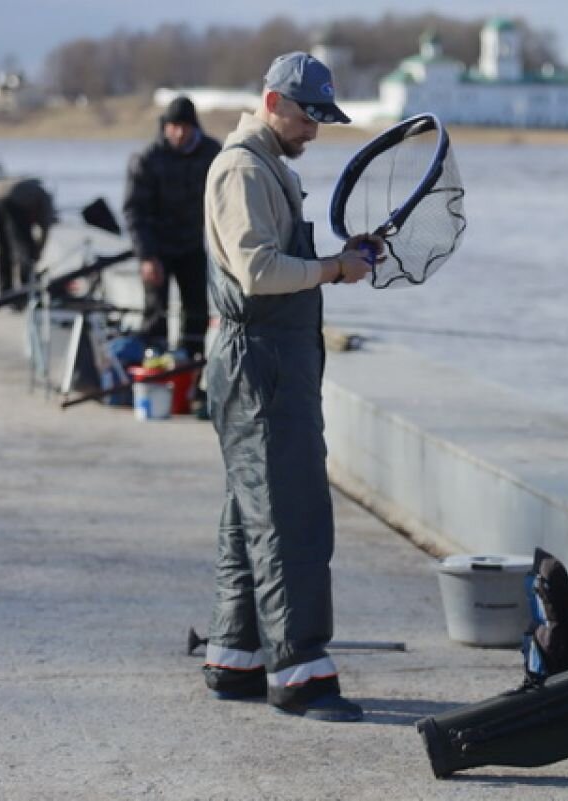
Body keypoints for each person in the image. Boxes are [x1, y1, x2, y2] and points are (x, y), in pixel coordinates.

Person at [200, 51, 382, 723]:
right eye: (308, 116)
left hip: (267, 361)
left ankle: (236, 656)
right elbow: (257, 271)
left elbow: (278, 263)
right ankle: (301, 674)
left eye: (322, 119)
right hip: (261, 365)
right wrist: (334, 268)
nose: (314, 130)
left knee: (251, 511)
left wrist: (344, 258)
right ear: (273, 102)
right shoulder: (244, 169)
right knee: (291, 515)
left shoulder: (269, 165)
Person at [123, 96, 221, 355]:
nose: (179, 133)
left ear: (194, 127)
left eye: (185, 127)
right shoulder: (147, 159)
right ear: (165, 126)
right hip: (156, 248)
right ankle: (155, 361)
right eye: (173, 126)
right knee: (156, 314)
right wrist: (146, 256)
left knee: (197, 312)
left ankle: (192, 364)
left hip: (192, 245)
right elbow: (134, 211)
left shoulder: (212, 153)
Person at [0, 177, 56, 303]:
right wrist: (38, 251)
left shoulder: (31, 190)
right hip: (14, 199)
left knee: (3, 248)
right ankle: (25, 291)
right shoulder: (43, 198)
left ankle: (5, 292)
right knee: (24, 250)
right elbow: (45, 228)